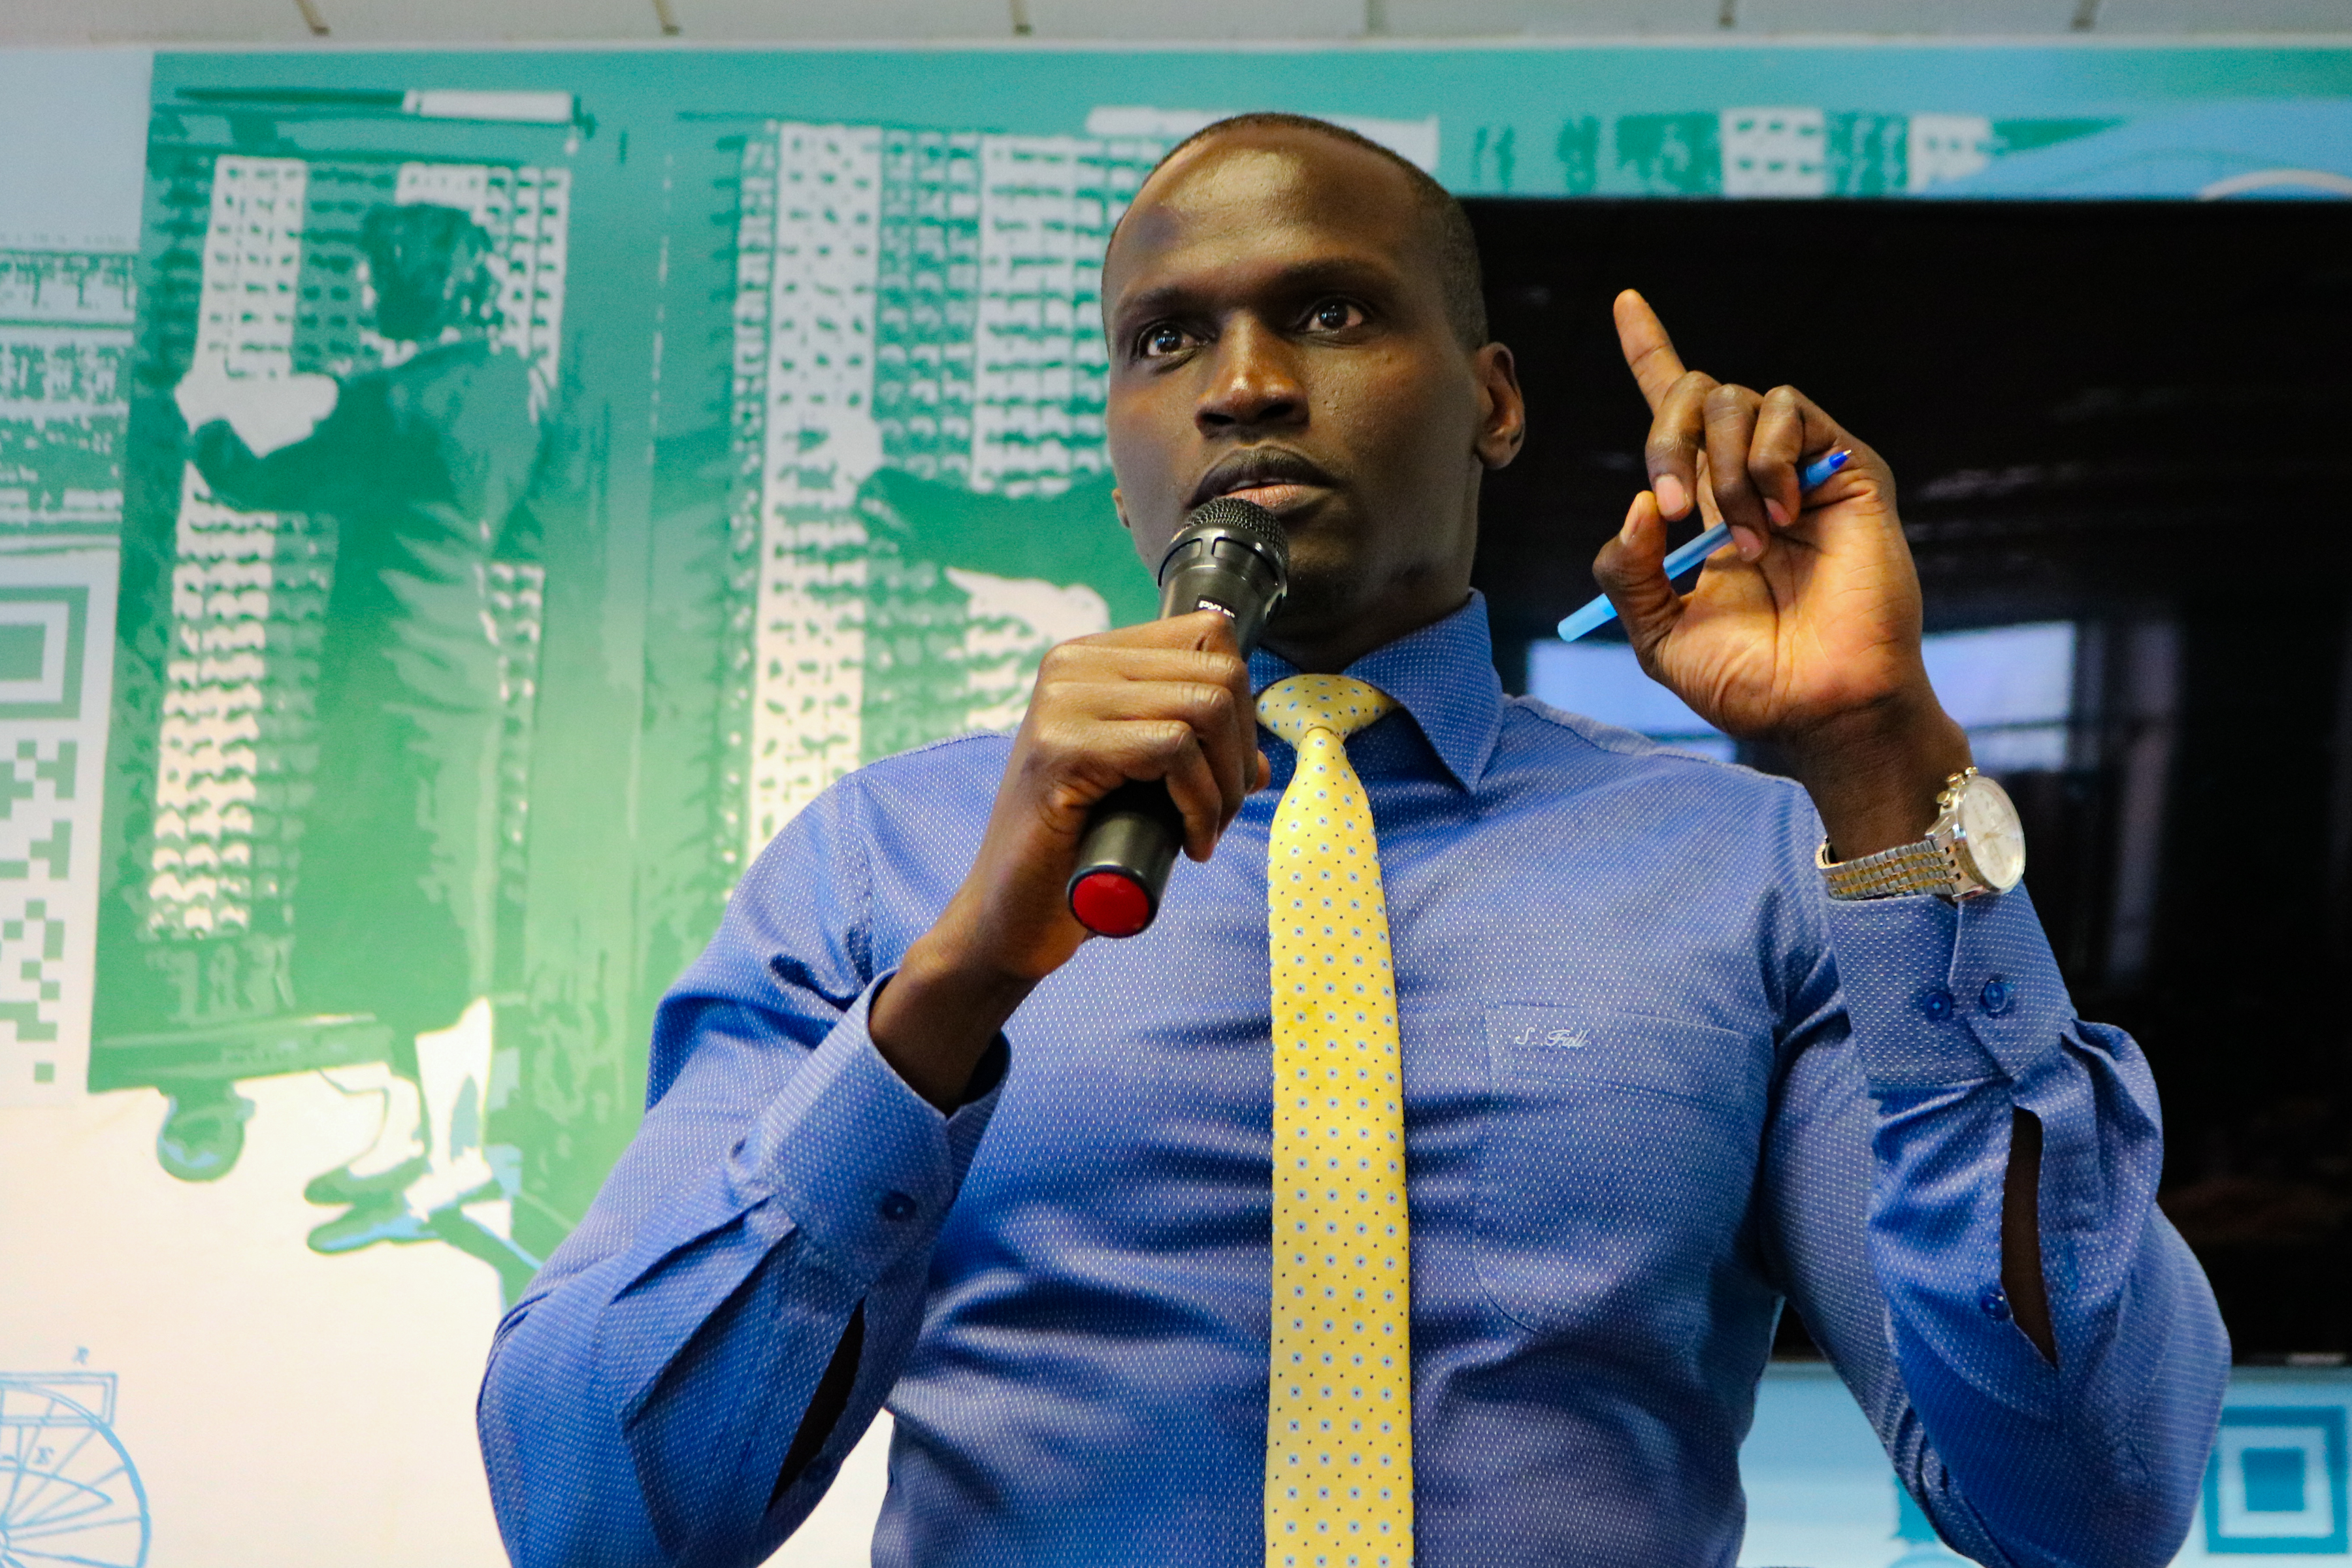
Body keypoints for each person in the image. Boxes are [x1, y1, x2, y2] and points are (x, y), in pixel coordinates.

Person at [478, 115, 2226, 1568]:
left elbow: (2088, 1502)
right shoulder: (883, 865)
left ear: (1495, 402)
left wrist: (1882, 762)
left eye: (1326, 314)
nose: (1240, 386)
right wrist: (947, 995)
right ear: (1117, 445)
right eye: (1166, 340)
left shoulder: (1758, 868)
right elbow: (591, 1513)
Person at [175, 201, 540, 1275]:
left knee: (429, 927)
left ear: (412, 283)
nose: (363, 292)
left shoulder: (388, 402)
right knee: (424, 911)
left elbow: (258, 479)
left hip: (395, 685)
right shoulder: (508, 386)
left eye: (376, 275)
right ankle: (408, 1140)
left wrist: (205, 415)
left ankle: (453, 1161)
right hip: (450, 673)